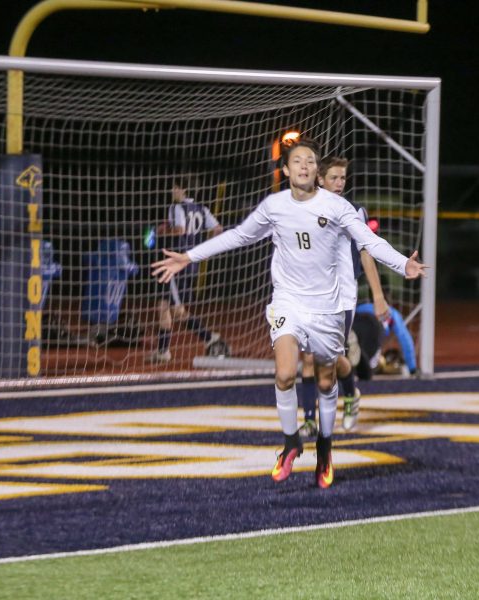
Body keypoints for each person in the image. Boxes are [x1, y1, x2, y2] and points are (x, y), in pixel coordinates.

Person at [152, 140, 427, 489]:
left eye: (310, 161)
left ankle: (325, 449)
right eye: (296, 161)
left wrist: (404, 264)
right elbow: (238, 236)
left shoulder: (337, 207)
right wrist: (189, 257)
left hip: (327, 307)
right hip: (288, 303)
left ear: (316, 171)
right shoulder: (275, 206)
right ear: (285, 170)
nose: (303, 166)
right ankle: (291, 443)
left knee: (326, 381)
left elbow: (368, 243)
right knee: (285, 374)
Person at [317, 156, 392, 431]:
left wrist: (378, 295)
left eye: (343, 178)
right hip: (310, 296)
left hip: (341, 297)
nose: (339, 184)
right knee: (305, 359)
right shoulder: (302, 210)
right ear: (320, 179)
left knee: (332, 360)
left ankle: (349, 395)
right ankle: (311, 423)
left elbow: (366, 252)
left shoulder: (353, 211)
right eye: (334, 178)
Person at [147, 174, 225, 364]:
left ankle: (209, 338)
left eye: (175, 188)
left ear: (182, 190)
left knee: (177, 310)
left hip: (177, 264)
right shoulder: (202, 209)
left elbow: (180, 230)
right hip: (191, 261)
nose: (172, 191)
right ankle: (163, 351)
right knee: (163, 306)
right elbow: (218, 229)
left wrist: (161, 231)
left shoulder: (176, 207)